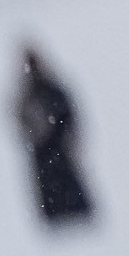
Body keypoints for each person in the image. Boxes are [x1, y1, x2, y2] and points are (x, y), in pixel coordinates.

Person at [14, 45, 95, 228]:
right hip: (43, 147)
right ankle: (57, 216)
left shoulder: (49, 87)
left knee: (65, 179)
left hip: (57, 144)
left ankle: (75, 212)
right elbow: (21, 119)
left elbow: (68, 112)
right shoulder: (28, 92)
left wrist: (66, 134)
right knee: (50, 183)